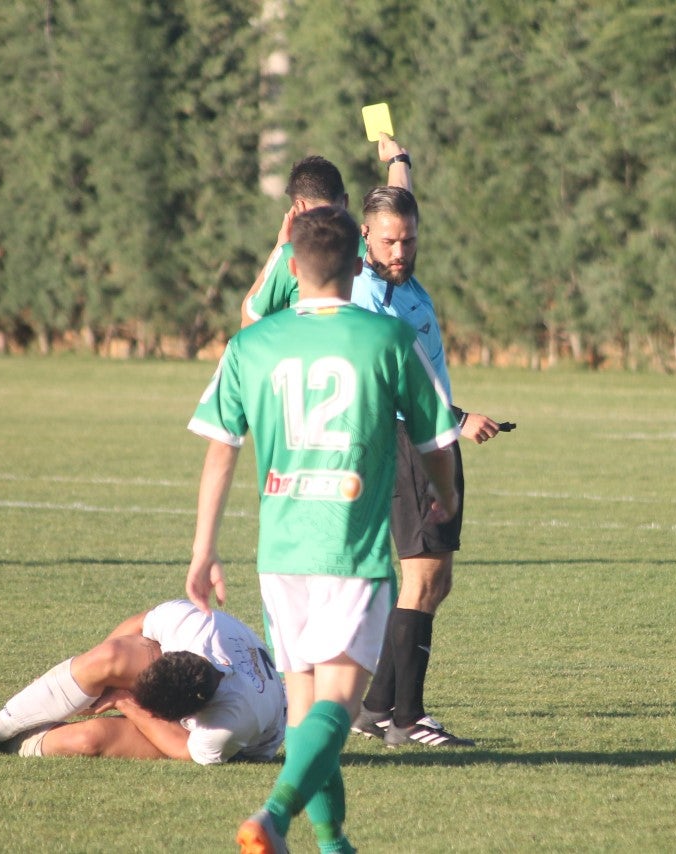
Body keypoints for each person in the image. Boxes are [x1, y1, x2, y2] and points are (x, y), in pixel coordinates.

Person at [185, 205, 459, 854]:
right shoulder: (389, 339)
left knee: (305, 712)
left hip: (281, 553)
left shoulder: (250, 345)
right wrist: (445, 498)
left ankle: (334, 844)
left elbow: (221, 449)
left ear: (293, 267)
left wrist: (203, 551)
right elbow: (436, 440)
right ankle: (274, 816)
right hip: (351, 551)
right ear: (358, 263)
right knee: (340, 706)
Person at [346, 184, 506, 749]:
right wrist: (456, 418)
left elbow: (399, 198)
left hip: (428, 438)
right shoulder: (368, 295)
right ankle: (408, 719)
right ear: (364, 235)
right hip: (409, 438)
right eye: (389, 241)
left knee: (436, 580)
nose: (400, 251)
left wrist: (399, 158)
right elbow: (389, 377)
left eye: (409, 240)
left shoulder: (401, 278)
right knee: (422, 579)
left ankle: (376, 709)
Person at [0, 599, 286, 765]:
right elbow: (135, 628)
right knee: (113, 657)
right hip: (189, 686)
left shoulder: (230, 723)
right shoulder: (194, 626)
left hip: (241, 746)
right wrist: (76, 677)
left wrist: (125, 701)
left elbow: (186, 749)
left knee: (88, 739)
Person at [240, 135, 411, 327]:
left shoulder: (292, 255)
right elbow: (396, 215)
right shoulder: (373, 245)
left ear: (299, 206)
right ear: (345, 201)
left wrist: (279, 248)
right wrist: (398, 161)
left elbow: (250, 320)